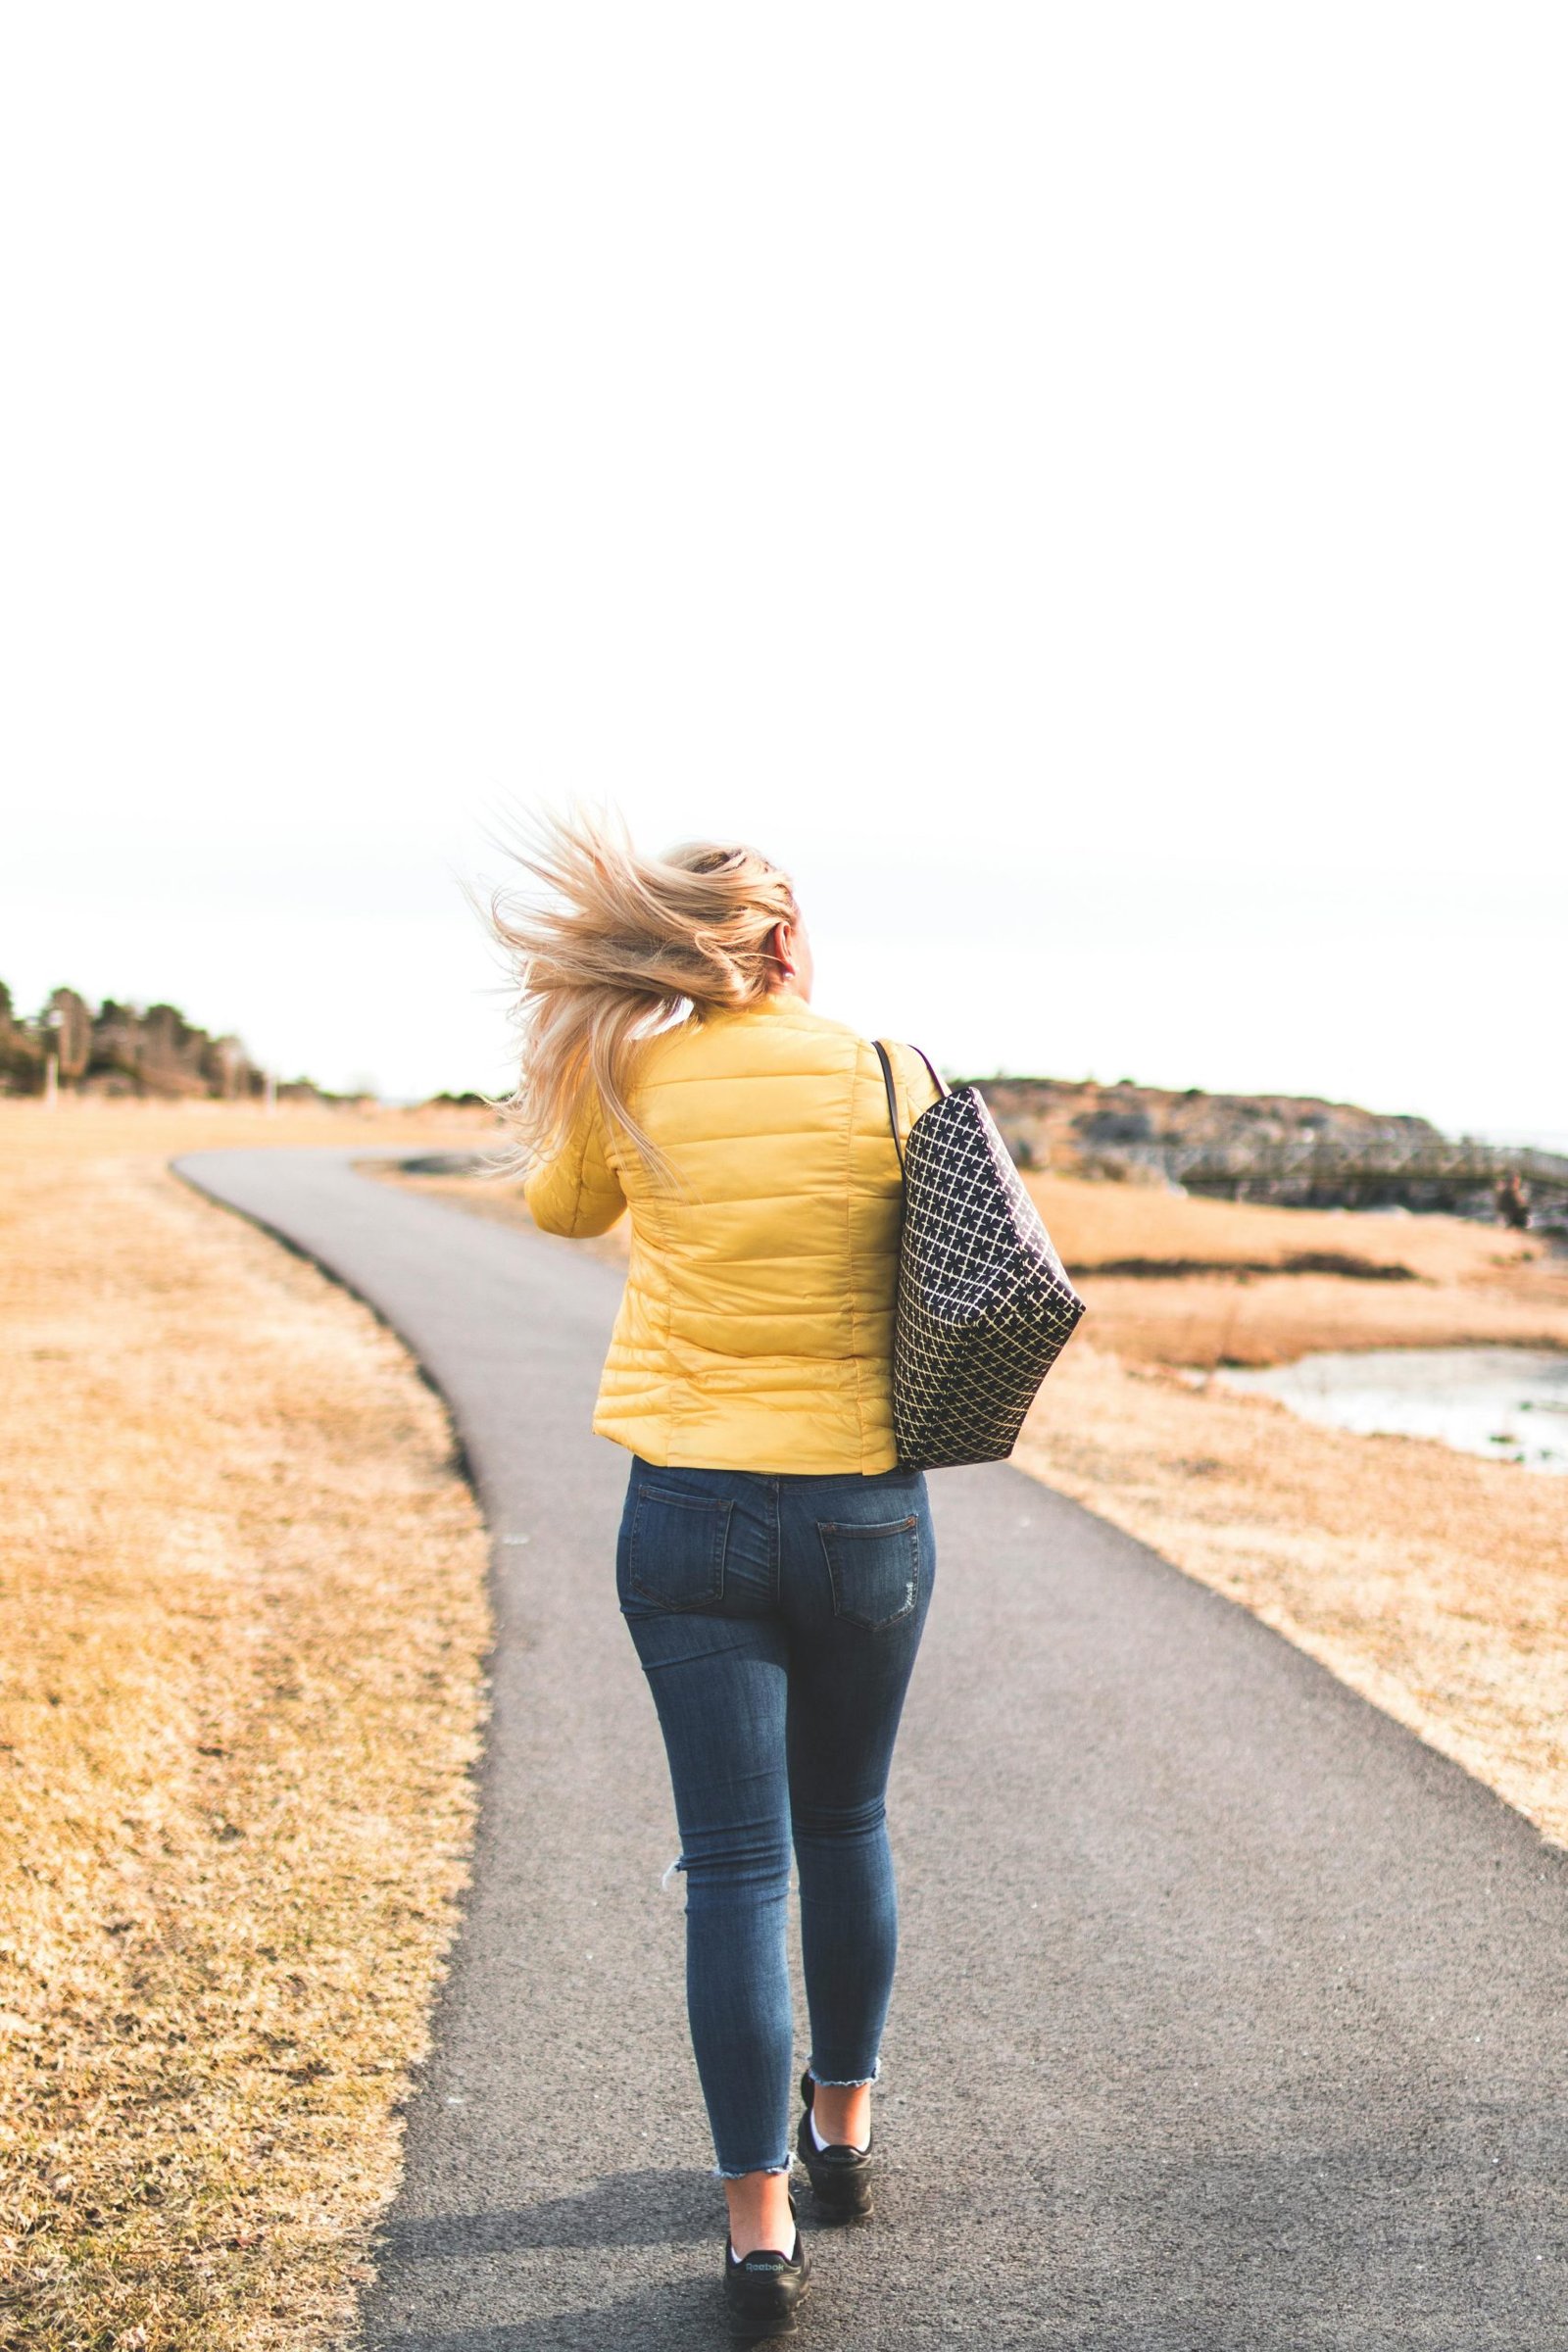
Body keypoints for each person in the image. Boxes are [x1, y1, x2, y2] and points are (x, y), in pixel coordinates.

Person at [491, 809, 942, 2340]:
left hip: (688, 1509)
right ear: (787, 940)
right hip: (864, 1507)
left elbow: (561, 1210)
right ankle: (843, 2133)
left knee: (737, 1864)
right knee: (848, 1818)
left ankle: (759, 2226)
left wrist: (587, 1065)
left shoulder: (633, 1077)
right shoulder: (889, 1071)